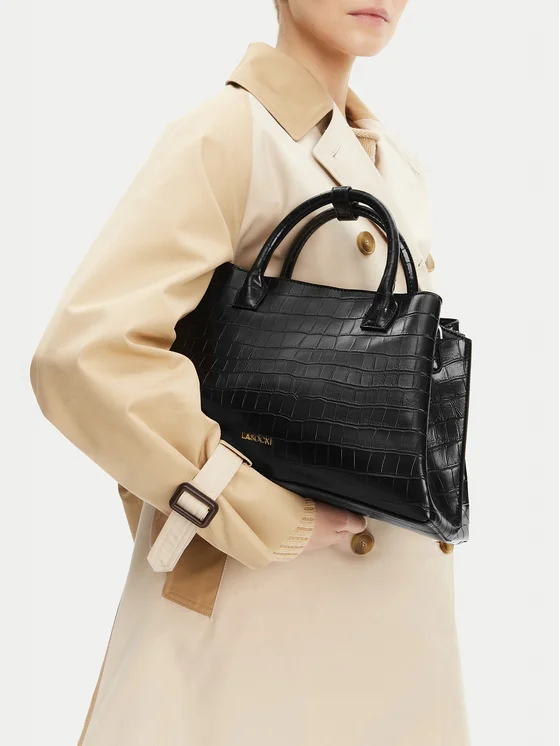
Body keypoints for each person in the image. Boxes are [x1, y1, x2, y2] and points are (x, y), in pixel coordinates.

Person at [30, 2, 471, 744]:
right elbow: (87, 355)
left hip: (388, 633)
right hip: (255, 620)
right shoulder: (230, 133)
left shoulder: (393, 160)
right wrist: (245, 506)